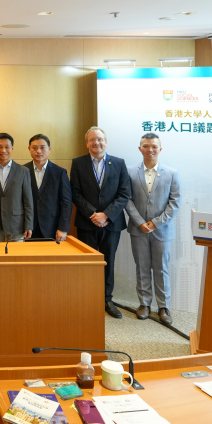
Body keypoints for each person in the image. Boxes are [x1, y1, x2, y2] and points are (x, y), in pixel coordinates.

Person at [70, 127, 131, 319]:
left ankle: (107, 299)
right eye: (92, 140)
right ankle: (88, 298)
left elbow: (124, 194)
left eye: (100, 139)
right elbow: (75, 193)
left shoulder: (119, 163)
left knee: (108, 261)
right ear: (86, 143)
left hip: (112, 223)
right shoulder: (78, 163)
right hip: (87, 222)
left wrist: (106, 215)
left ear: (106, 142)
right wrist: (93, 214)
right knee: (87, 263)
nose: (96, 143)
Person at [125, 132, 181, 325]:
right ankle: (144, 304)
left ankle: (163, 306)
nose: (150, 150)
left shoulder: (172, 173)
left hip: (162, 231)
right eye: (146, 146)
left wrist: (155, 223)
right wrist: (140, 222)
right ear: (140, 148)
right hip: (138, 229)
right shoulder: (130, 172)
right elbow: (127, 199)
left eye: (154, 146)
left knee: (161, 269)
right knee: (141, 267)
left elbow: (174, 203)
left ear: (160, 149)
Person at [24, 134, 72, 242]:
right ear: (29, 149)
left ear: (49, 149)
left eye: (42, 147)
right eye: (34, 148)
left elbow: (67, 202)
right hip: (28, 228)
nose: (38, 151)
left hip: (52, 227)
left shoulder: (60, 172)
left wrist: (63, 228)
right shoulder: (22, 171)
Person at [0, 133, 33, 243]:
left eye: (7, 147)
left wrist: (29, 224)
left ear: (12, 148)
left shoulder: (23, 171)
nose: (3, 150)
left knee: (17, 254)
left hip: (17, 223)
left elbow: (28, 201)